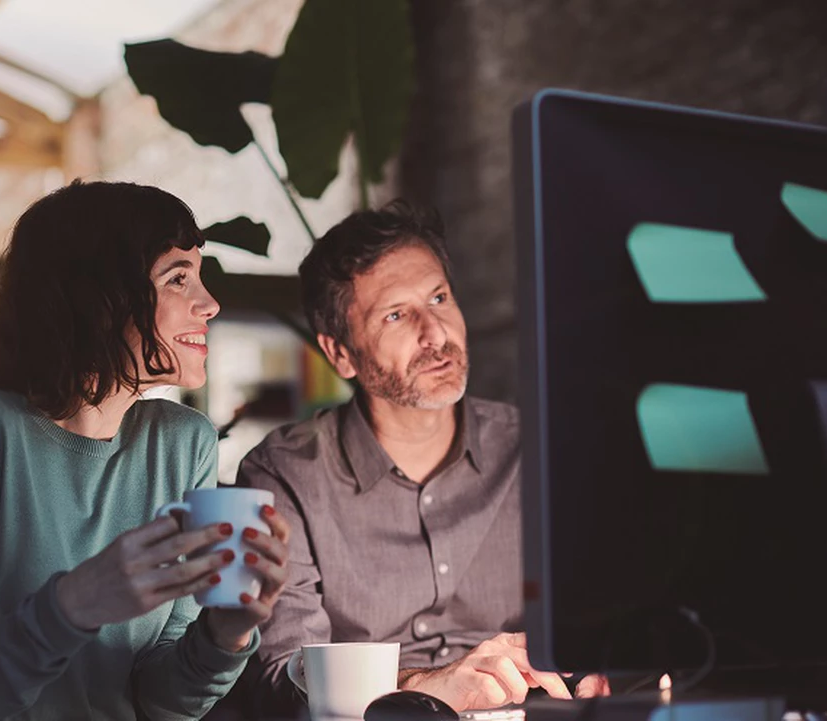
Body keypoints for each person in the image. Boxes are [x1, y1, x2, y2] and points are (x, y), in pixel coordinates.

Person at [0, 181, 291, 721]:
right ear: (100, 298)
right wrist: (75, 605)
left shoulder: (184, 442)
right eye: (178, 279)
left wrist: (225, 633)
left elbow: (163, 706)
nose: (209, 304)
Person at [236, 201, 608, 715]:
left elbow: (607, 617)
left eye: (438, 298)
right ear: (340, 352)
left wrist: (605, 663)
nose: (435, 334)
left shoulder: (538, 448)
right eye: (395, 314)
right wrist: (433, 686)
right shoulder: (284, 476)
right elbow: (283, 680)